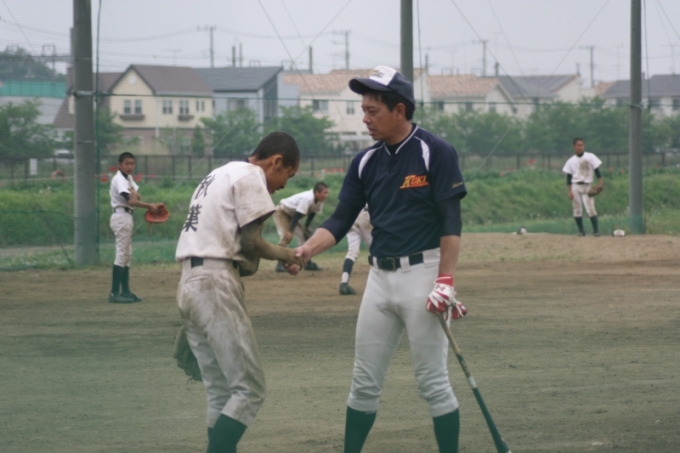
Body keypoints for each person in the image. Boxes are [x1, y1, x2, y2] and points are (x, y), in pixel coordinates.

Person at [295, 66, 468, 453]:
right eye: (364, 110)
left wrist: (445, 280)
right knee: (363, 383)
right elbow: (340, 220)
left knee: (432, 383)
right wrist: (307, 250)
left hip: (423, 275)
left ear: (399, 110)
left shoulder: (434, 151)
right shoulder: (365, 161)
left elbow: (451, 222)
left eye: (373, 110)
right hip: (378, 279)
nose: (365, 118)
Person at [175, 131, 305, 453]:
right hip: (214, 283)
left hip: (190, 282)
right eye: (287, 175)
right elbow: (251, 242)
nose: (283, 185)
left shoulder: (219, 173)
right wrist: (289, 254)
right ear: (276, 161)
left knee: (220, 393)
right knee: (249, 390)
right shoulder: (251, 175)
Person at [108, 152, 163, 303]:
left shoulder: (128, 178)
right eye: (126, 163)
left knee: (127, 255)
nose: (130, 166)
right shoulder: (119, 179)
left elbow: (137, 197)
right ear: (119, 165)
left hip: (126, 216)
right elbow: (131, 201)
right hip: (120, 216)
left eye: (132, 163)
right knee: (122, 254)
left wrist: (135, 194)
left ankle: (125, 291)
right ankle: (114, 293)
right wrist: (149, 206)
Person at [273, 182, 329, 272]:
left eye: (327, 193)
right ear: (317, 193)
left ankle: (306, 262)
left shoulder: (319, 201)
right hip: (282, 213)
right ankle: (280, 264)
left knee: (304, 236)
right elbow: (297, 215)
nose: (326, 195)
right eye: (325, 192)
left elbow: (312, 213)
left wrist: (306, 227)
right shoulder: (307, 198)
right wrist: (290, 231)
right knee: (286, 237)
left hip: (292, 216)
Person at [562, 137, 603, 236]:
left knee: (590, 208)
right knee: (577, 208)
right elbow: (568, 178)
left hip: (587, 186)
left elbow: (597, 171)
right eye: (578, 145)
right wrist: (570, 191)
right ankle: (581, 230)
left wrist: (600, 183)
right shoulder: (571, 161)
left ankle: (596, 231)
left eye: (581, 145)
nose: (580, 147)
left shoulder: (590, 156)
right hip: (575, 186)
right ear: (574, 146)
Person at [339, 205, 372, 295]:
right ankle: (378, 284)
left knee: (352, 253)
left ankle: (344, 283)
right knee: (376, 250)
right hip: (365, 214)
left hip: (350, 216)